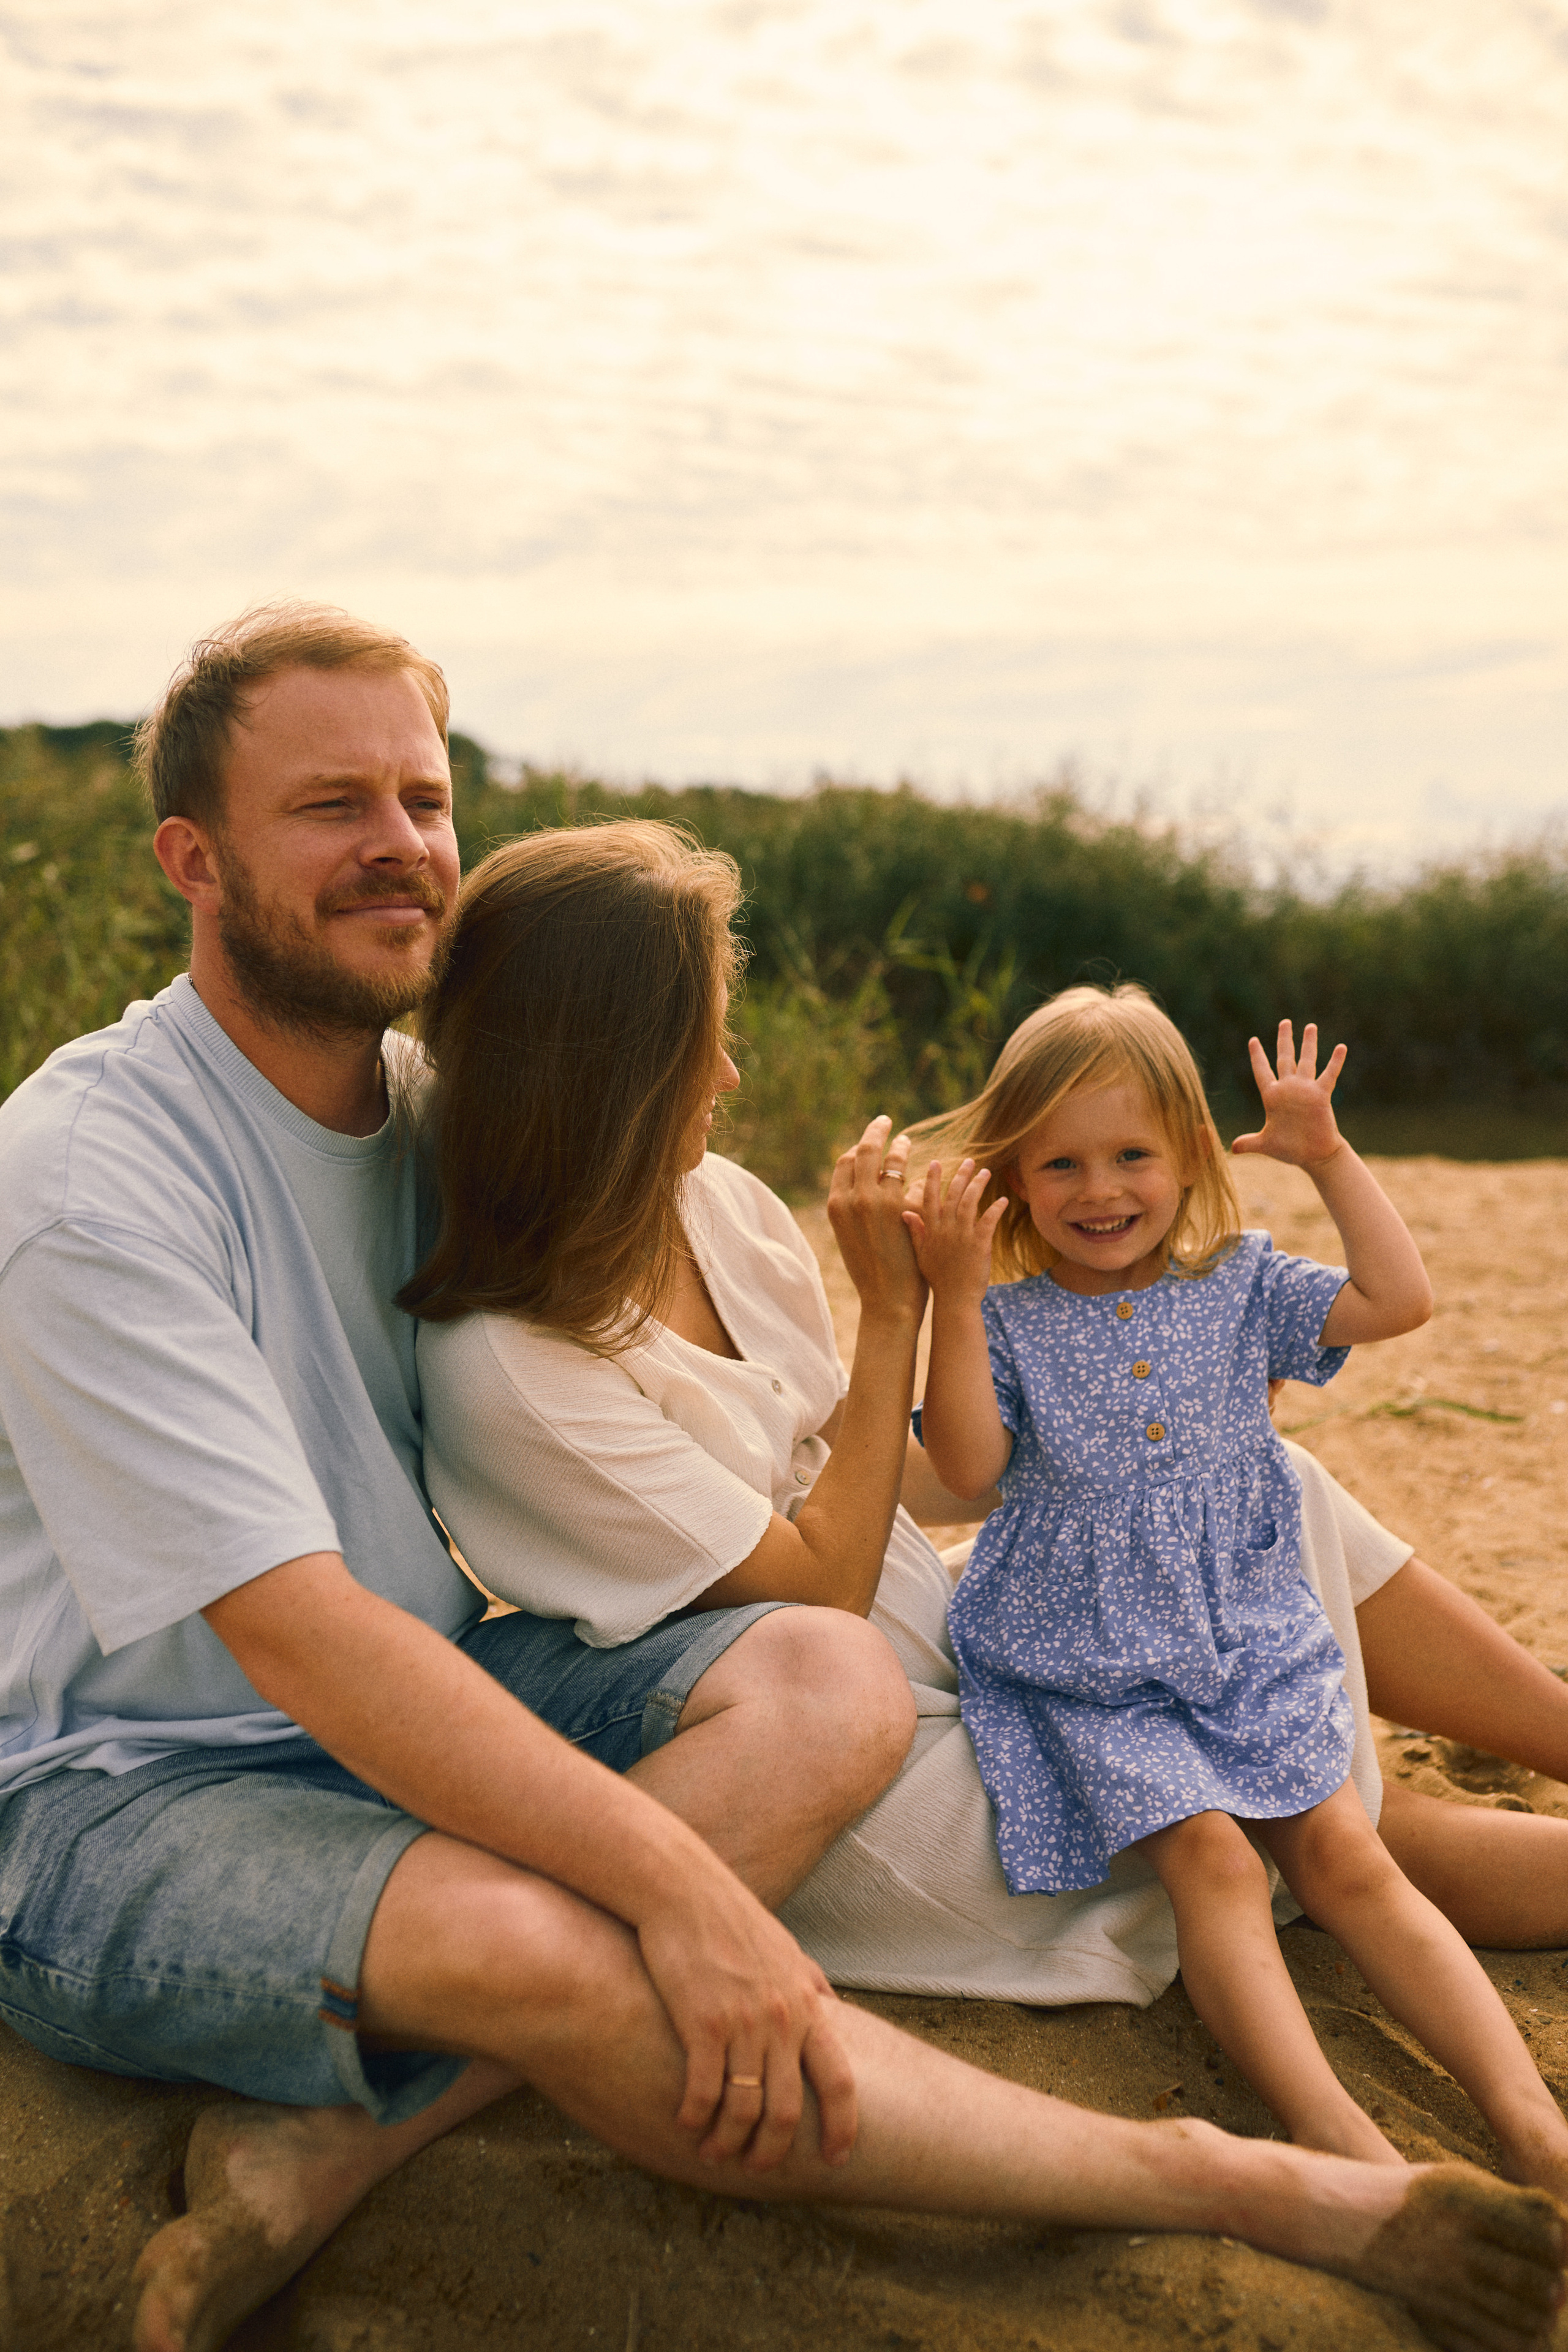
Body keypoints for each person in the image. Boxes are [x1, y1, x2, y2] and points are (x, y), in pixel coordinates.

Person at [0, 607, 1559, 2352]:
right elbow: (296, 1637)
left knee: (1174, 1563)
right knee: (1209, 1831)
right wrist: (680, 1892)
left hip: (486, 1679)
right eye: (329, 807)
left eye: (425, 800)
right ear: (189, 856)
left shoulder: (438, 1111)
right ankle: (1250, 2183)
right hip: (139, 1781)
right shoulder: (91, 1183)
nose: (399, 846)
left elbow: (630, 1134)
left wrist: (977, 1285)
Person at [905, 982, 1568, 2185]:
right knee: (1211, 1862)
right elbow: (960, 1467)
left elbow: (1397, 1300)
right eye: (1057, 1165)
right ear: (1006, 1180)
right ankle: (1340, 2140)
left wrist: (1325, 1157)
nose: (1098, 1191)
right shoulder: (1002, 1323)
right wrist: (948, 1293)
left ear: (1189, 1155)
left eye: (1128, 1156)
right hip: (1088, 1659)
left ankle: (1527, 2121)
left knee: (1347, 1855)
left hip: (1242, 1635)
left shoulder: (1241, 1286)